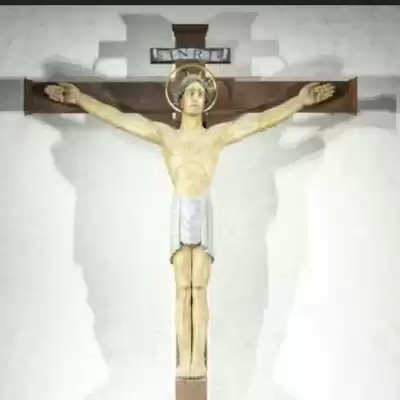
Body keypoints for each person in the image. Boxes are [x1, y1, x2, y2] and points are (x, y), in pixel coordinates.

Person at [45, 74, 334, 379]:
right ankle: (185, 359)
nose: (196, 98)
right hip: (180, 209)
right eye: (191, 93)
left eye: (200, 93)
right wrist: (79, 99)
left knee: (200, 288)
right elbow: (119, 118)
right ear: (179, 100)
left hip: (203, 209)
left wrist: (299, 101)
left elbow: (261, 121)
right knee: (183, 289)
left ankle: (199, 359)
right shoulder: (165, 135)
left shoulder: (217, 135)